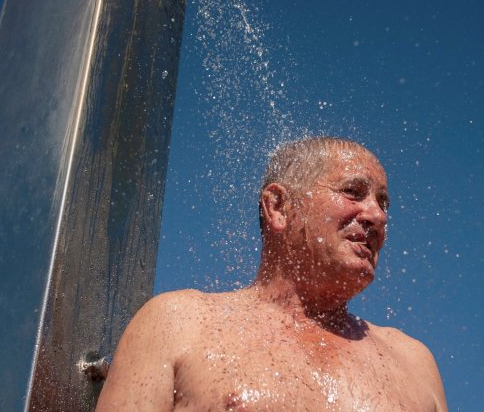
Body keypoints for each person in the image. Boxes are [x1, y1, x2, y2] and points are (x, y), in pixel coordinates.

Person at [95, 136, 448, 411]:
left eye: (383, 203)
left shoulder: (414, 364)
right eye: (353, 192)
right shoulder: (178, 323)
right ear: (279, 207)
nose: (377, 216)